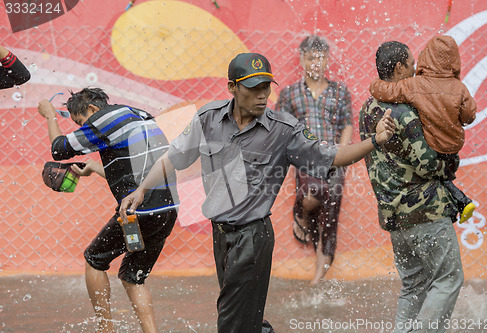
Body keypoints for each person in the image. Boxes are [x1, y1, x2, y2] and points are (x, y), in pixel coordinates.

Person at [119, 52, 396, 333]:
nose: (262, 95)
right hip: (221, 235)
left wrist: (376, 140)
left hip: (252, 238)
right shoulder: (207, 119)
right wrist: (142, 189)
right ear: (232, 87)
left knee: (231, 320)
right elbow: (172, 158)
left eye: (266, 87)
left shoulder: (283, 130)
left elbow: (332, 155)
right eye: (253, 88)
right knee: (246, 318)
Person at [37, 88, 179, 333]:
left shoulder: (104, 119)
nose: (83, 128)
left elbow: (59, 149)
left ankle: (105, 329)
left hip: (138, 210)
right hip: (167, 209)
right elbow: (141, 174)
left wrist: (50, 116)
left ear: (92, 109)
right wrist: (94, 167)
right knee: (133, 276)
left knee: (94, 259)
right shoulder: (138, 116)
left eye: (81, 122)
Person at [359, 41, 464, 332]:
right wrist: (451, 160)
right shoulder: (405, 111)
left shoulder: (367, 108)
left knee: (413, 285)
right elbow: (429, 165)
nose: (416, 67)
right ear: (398, 68)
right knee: (447, 280)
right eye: (411, 63)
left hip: (393, 217)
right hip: (425, 212)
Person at [369, 35, 476, 223]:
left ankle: (456, 205)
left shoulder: (415, 85)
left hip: (432, 146)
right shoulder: (460, 88)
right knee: (445, 176)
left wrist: (374, 84)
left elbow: (388, 91)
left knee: (435, 174)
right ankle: (460, 202)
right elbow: (469, 115)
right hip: (453, 148)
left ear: (426, 58)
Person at [276, 35, 353, 285]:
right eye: (310, 58)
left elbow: (347, 125)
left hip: (335, 159)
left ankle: (317, 279)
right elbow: (282, 129)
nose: (316, 63)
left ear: (327, 59)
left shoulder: (340, 92)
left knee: (330, 218)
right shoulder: (289, 94)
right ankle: (300, 212)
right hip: (306, 159)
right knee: (311, 196)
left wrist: (340, 154)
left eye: (320, 58)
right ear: (302, 59)